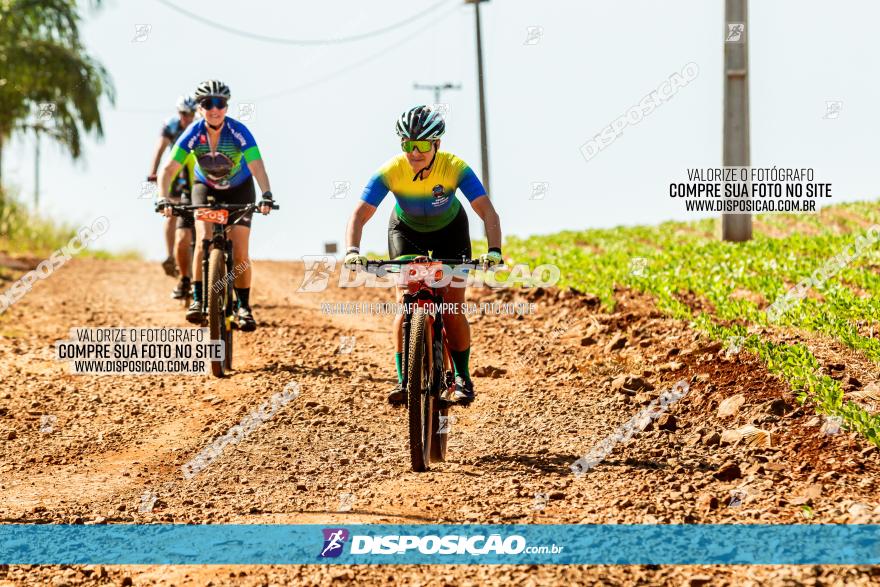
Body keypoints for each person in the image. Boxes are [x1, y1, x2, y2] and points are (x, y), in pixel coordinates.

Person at [343, 105, 503, 406]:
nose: (414, 153)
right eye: (407, 145)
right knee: (405, 304)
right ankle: (404, 380)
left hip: (451, 231)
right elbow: (359, 214)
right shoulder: (391, 170)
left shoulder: (455, 167)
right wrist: (352, 250)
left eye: (422, 146)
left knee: (453, 307)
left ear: (437, 145)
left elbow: (486, 210)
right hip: (406, 232)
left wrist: (494, 250)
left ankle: (462, 378)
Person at [156, 80, 274, 331]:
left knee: (241, 250)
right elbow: (168, 170)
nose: (214, 109)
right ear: (200, 108)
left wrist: (266, 194)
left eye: (219, 103)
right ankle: (199, 300)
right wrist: (162, 197)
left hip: (240, 189)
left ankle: (243, 306)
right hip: (205, 189)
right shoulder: (193, 133)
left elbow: (256, 165)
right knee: (202, 239)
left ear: (226, 107)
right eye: (207, 104)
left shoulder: (238, 131)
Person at [146, 95, 196, 287]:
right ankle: (170, 255)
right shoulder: (171, 126)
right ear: (179, 113)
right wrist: (153, 172)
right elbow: (160, 149)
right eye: (184, 113)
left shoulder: (199, 125)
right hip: (175, 170)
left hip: (194, 170)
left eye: (191, 114)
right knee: (171, 212)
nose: (188, 117)